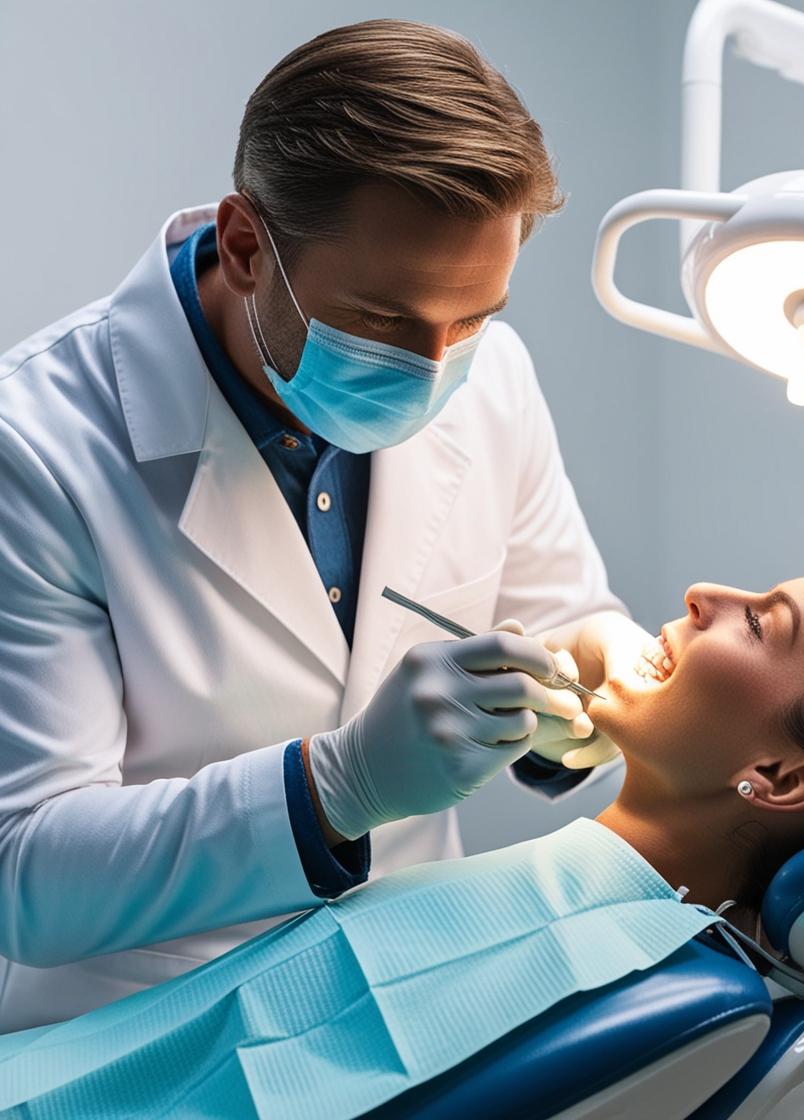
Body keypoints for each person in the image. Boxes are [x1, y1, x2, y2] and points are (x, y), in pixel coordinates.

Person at [0, 20, 650, 1033]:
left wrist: (588, 682)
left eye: (474, 316)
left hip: (410, 993)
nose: (437, 369)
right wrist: (332, 789)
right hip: (143, 1033)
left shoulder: (494, 381)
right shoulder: (36, 446)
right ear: (249, 245)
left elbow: (559, 610)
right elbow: (25, 876)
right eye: (386, 320)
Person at [0, 574, 804, 1116]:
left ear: (778, 781)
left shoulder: (599, 965)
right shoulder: (595, 913)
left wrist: (345, 785)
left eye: (759, 622)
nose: (703, 594)